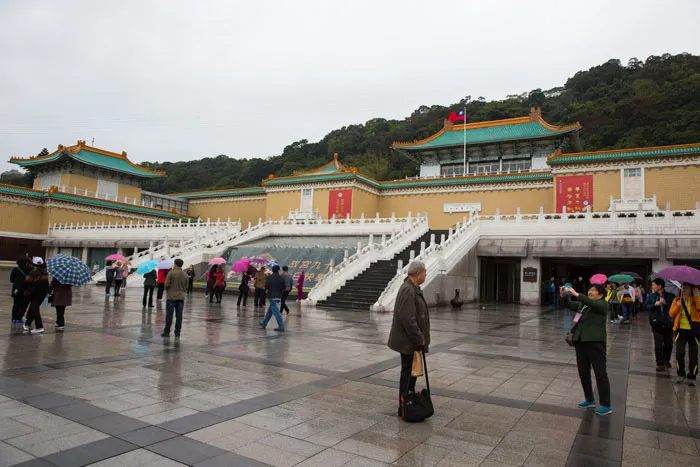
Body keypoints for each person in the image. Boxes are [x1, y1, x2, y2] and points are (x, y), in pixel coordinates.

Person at [387, 260, 430, 417]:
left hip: (411, 341)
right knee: (407, 373)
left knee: (411, 373)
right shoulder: (408, 290)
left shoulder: (413, 288)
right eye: (424, 272)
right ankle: (404, 405)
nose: (426, 275)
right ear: (418, 274)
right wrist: (419, 338)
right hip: (408, 342)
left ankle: (407, 401)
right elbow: (407, 318)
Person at [562, 283, 611, 416]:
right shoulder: (583, 305)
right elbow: (569, 305)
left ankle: (606, 404)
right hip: (580, 342)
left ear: (600, 294)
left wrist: (577, 294)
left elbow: (591, 303)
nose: (590, 292)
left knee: (600, 374)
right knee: (583, 372)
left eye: (594, 290)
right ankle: (589, 399)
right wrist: (564, 296)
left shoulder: (602, 304)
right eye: (589, 289)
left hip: (595, 343)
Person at [669, 283, 700, 386]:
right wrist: (678, 307)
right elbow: (671, 314)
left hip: (694, 331)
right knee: (679, 352)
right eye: (683, 288)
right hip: (680, 330)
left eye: (686, 288)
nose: (684, 290)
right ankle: (680, 374)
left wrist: (696, 297)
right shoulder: (677, 300)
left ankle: (692, 375)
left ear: (692, 289)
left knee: (693, 355)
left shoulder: (696, 300)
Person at [646, 278, 675, 372]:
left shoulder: (671, 296)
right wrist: (655, 304)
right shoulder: (651, 296)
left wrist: (666, 304)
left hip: (668, 324)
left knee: (668, 344)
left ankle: (666, 360)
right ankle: (660, 363)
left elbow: (674, 309)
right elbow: (646, 307)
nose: (652, 286)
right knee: (658, 345)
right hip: (656, 323)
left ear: (659, 286)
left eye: (653, 285)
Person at [161, 258, 189, 338]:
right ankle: (177, 333)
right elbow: (187, 286)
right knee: (179, 316)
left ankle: (167, 332)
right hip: (181, 297)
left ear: (175, 264)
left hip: (171, 297)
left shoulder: (171, 273)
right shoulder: (185, 274)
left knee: (169, 315)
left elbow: (166, 285)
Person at [24, 257, 49, 335]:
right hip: (42, 294)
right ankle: (27, 324)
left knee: (35, 310)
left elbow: (28, 282)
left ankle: (39, 327)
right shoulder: (45, 272)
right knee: (32, 308)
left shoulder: (33, 272)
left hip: (34, 294)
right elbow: (46, 284)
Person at [259, 265, 286, 331]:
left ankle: (281, 326)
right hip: (278, 296)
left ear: (272, 270)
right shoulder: (281, 278)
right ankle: (264, 323)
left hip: (272, 296)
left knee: (276, 312)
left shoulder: (269, 277)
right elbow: (284, 287)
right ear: (278, 270)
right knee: (270, 311)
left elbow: (266, 286)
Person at [10, 258, 31, 327]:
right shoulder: (29, 270)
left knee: (15, 304)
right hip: (24, 289)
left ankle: (14, 319)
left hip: (15, 289)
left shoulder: (15, 270)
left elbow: (11, 280)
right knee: (22, 305)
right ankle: (19, 318)